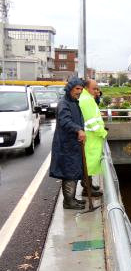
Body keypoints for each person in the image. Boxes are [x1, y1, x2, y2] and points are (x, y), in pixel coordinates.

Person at [49, 77, 87, 210]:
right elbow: (65, 121)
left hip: (73, 144)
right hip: (66, 145)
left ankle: (71, 199)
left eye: (81, 89)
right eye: (77, 89)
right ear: (70, 89)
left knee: (74, 170)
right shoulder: (64, 103)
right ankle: (68, 202)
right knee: (69, 172)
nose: (79, 91)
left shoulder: (74, 102)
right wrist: (78, 129)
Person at [79, 79, 108, 197]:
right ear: (86, 88)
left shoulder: (87, 98)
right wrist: (102, 132)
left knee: (89, 163)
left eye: (97, 88)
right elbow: (91, 121)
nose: (97, 91)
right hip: (91, 137)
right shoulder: (86, 100)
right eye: (94, 88)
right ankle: (87, 189)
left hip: (91, 137)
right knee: (89, 163)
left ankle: (88, 185)